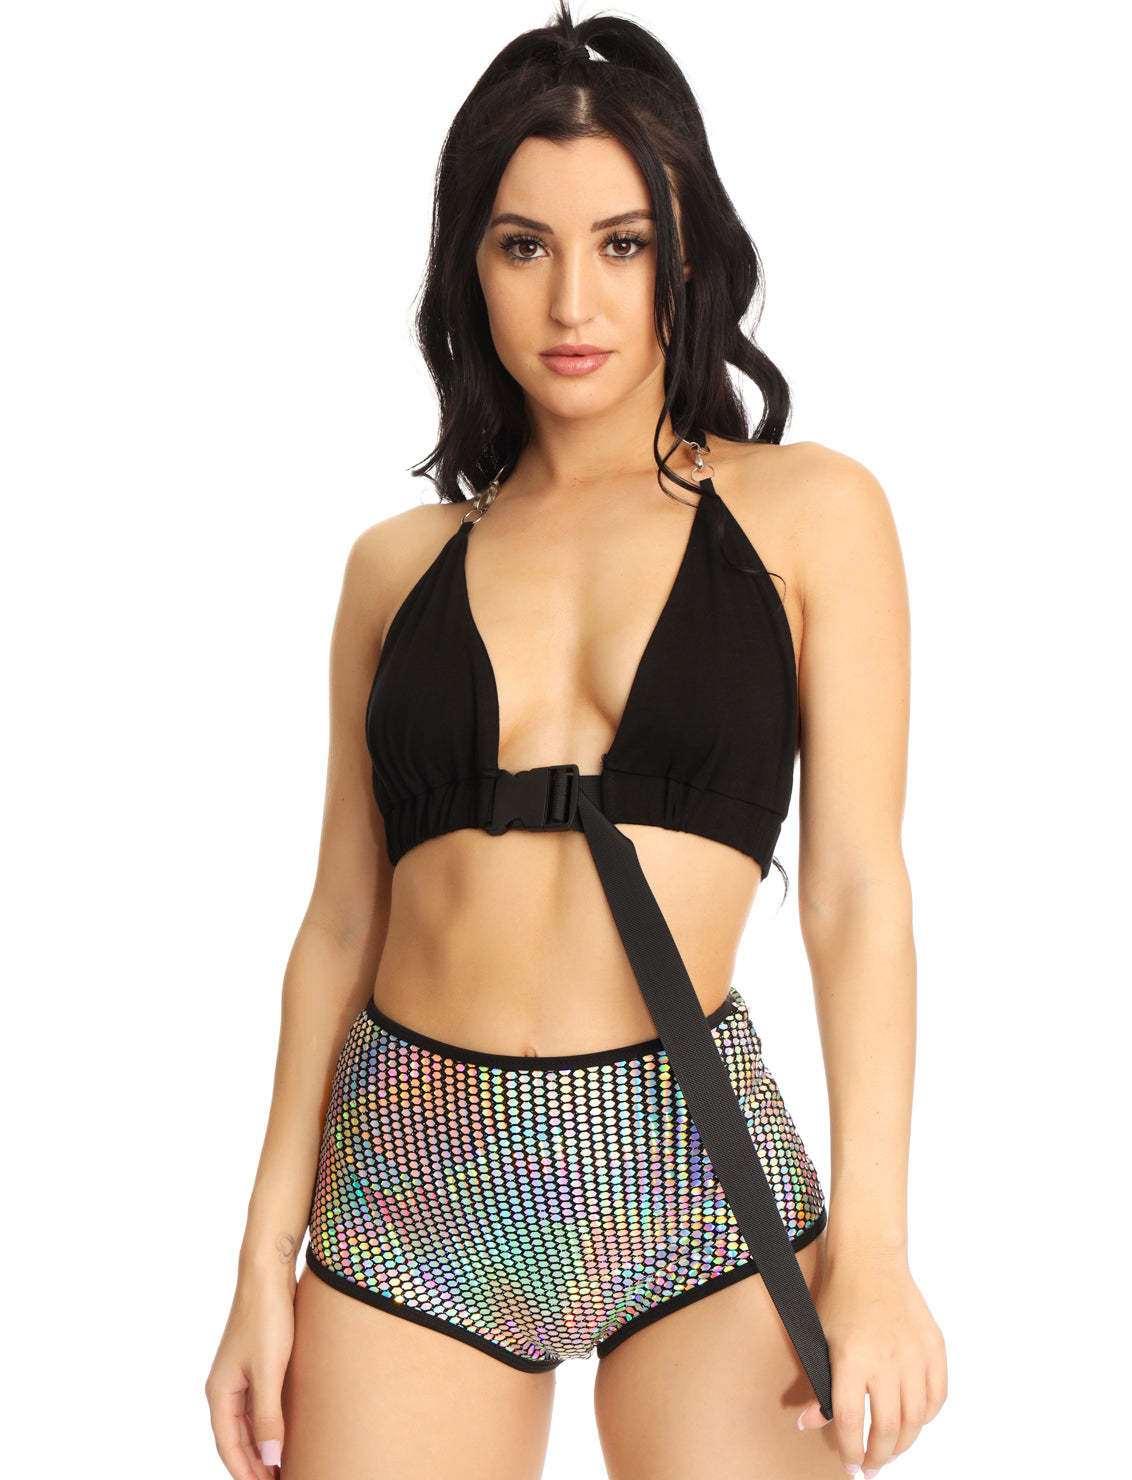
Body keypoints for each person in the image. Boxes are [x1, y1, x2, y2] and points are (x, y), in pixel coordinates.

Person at [205, 5, 948, 1476]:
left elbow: (859, 892)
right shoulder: (395, 569)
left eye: (621, 244)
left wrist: (876, 1248)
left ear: (686, 258)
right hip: (407, 1183)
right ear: (467, 268)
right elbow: (339, 923)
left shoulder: (810, 514)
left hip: (691, 1176)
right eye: (522, 245)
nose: (572, 302)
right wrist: (257, 1266)